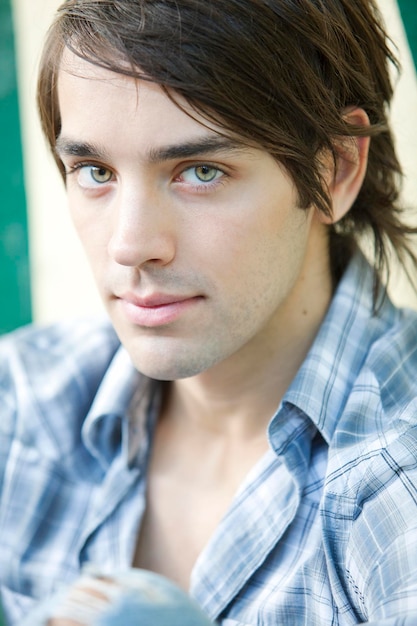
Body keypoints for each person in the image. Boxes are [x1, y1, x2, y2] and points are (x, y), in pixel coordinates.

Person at [1, 0, 417, 623]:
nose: (131, 245)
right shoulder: (25, 405)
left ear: (336, 169)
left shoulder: (395, 499)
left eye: (200, 171)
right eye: (94, 171)